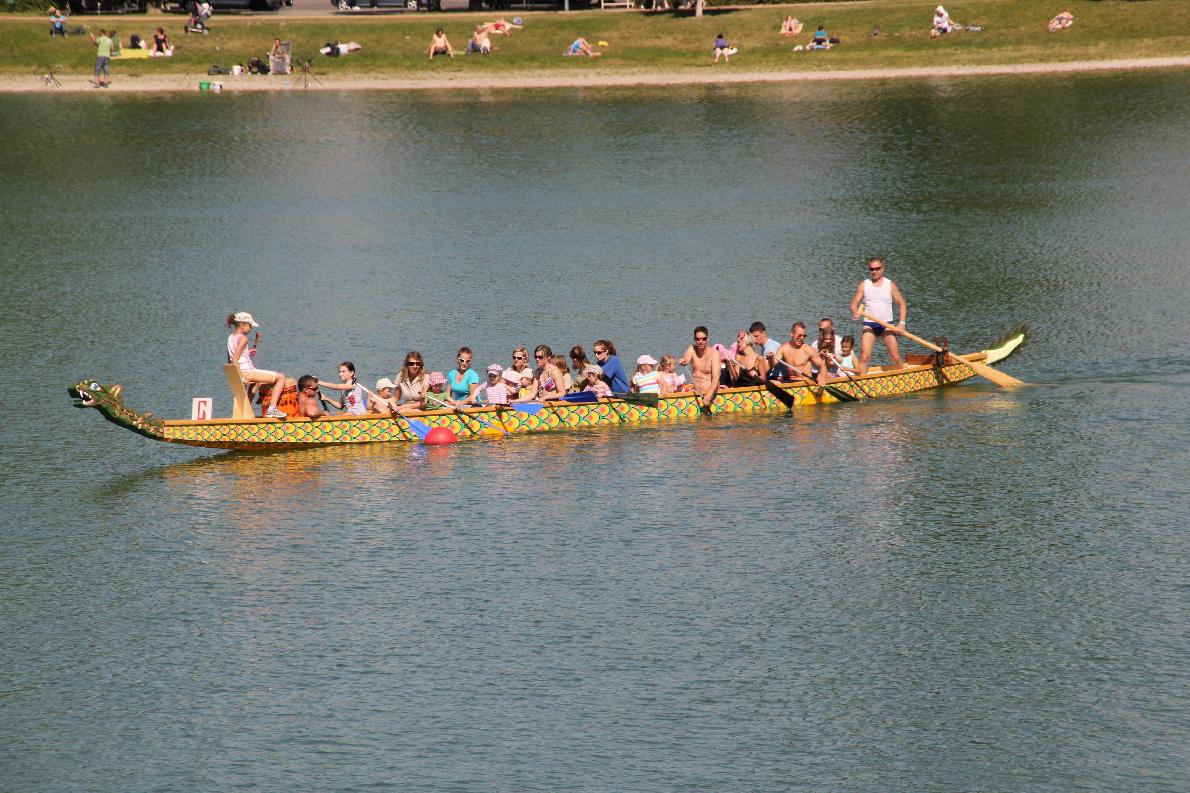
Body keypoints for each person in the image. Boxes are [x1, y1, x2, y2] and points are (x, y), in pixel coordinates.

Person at [849, 256, 908, 375]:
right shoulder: (864, 285)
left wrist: (901, 323)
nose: (874, 271)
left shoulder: (889, 284)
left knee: (895, 356)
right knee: (865, 357)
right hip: (869, 325)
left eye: (877, 268)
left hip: (887, 325)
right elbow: (854, 304)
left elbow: (902, 304)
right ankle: (862, 380)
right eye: (872, 269)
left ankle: (902, 377)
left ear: (882, 269)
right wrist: (855, 312)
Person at [226, 312, 287, 419]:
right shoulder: (243, 338)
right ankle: (272, 409)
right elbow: (235, 358)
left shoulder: (231, 337)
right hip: (246, 372)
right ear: (242, 325)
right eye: (250, 326)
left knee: (256, 383)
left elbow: (231, 358)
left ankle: (247, 410)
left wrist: (248, 353)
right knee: (281, 377)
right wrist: (241, 378)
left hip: (240, 370)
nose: (251, 329)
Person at [679, 326, 721, 412]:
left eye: (703, 339)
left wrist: (709, 395)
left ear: (707, 338)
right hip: (696, 391)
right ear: (694, 339)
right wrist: (683, 361)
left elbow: (716, 378)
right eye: (698, 339)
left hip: (709, 393)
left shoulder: (714, 353)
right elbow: (686, 357)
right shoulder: (692, 349)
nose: (700, 341)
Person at [774, 322, 827, 388]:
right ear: (792, 333)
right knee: (771, 382)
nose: (802, 338)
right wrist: (770, 358)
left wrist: (822, 378)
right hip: (790, 381)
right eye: (799, 335)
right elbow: (773, 363)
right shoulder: (783, 348)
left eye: (804, 336)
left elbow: (822, 365)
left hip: (805, 383)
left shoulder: (808, 349)